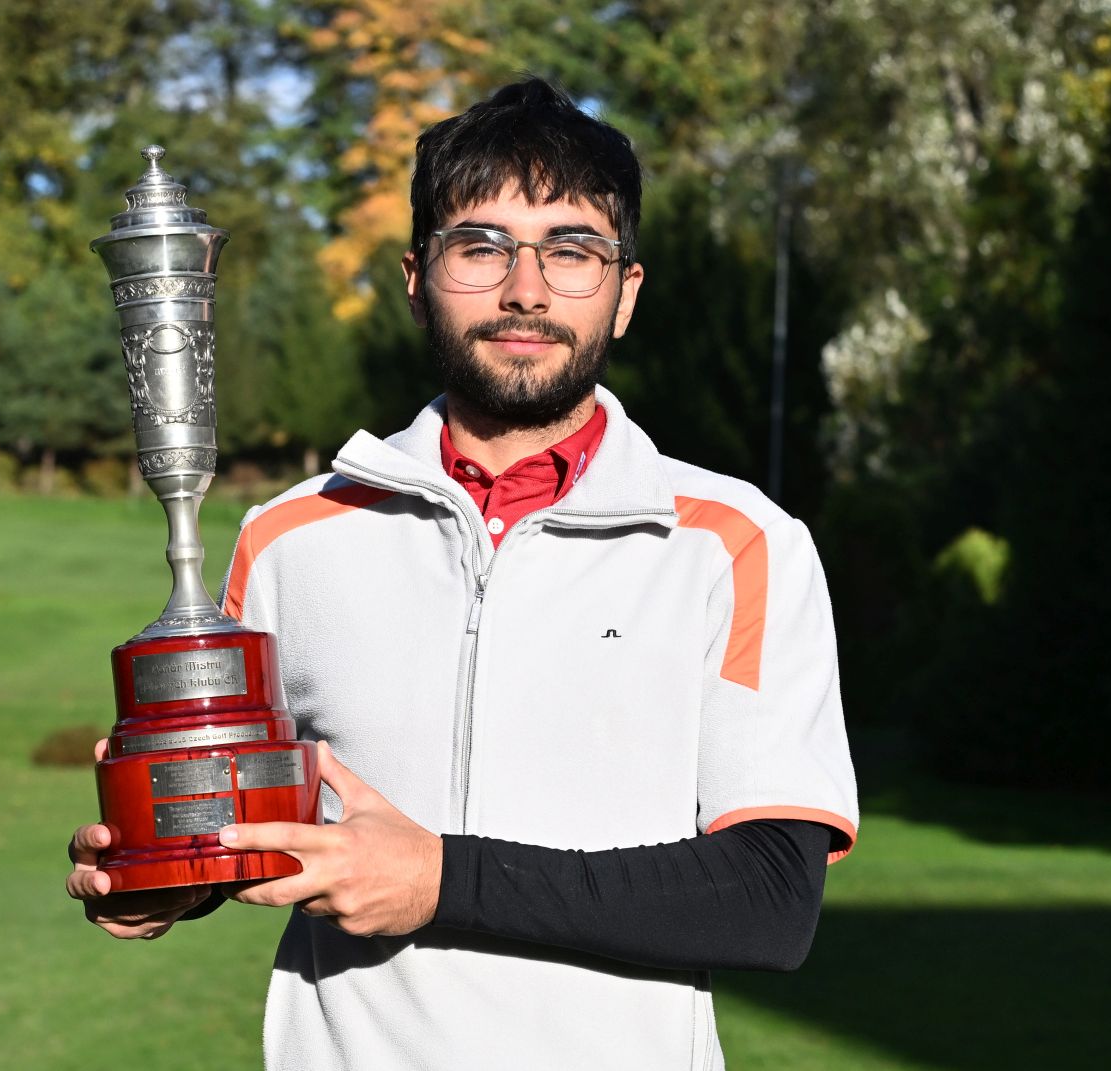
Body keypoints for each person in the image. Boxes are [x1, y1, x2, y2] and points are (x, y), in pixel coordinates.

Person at [68, 78, 858, 1070]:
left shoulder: (736, 543)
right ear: (415, 276)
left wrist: (440, 880)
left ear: (626, 294)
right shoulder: (291, 538)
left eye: (572, 251)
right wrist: (164, 873)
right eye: (480, 246)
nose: (526, 288)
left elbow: (771, 901)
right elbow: (277, 827)